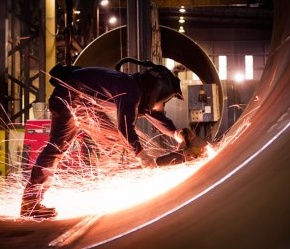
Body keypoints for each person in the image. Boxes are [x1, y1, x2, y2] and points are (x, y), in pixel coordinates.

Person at [20, 58, 186, 218]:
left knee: (113, 139)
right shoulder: (130, 89)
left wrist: (176, 134)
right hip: (69, 98)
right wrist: (141, 155)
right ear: (157, 91)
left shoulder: (134, 89)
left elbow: (153, 114)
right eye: (164, 101)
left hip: (82, 102)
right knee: (57, 148)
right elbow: (125, 127)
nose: (161, 106)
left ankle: (109, 177)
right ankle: (30, 202)